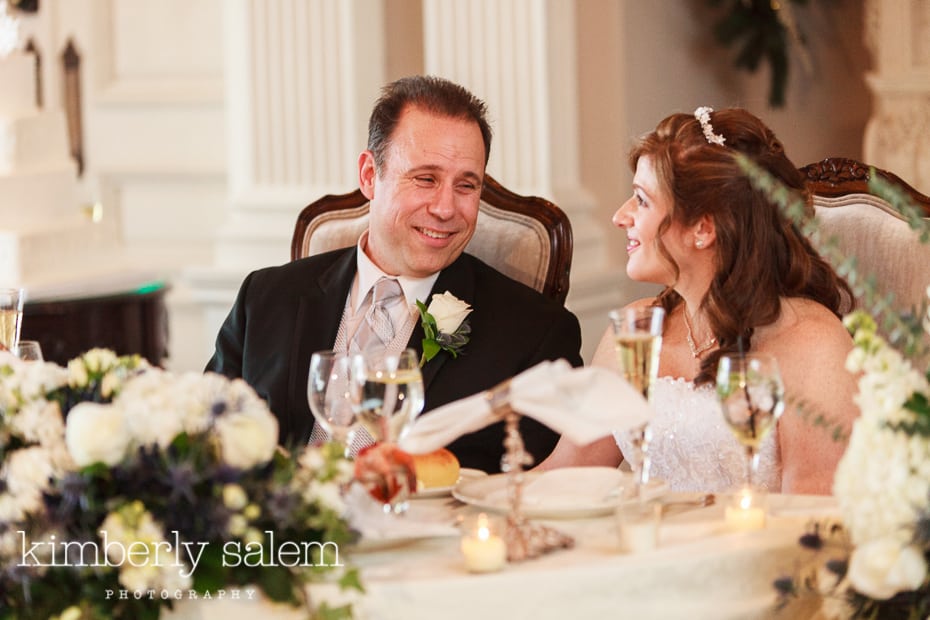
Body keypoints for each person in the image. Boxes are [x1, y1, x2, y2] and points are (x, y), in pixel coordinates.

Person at [206, 75, 583, 473]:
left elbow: (538, 495)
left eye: (467, 186)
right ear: (370, 175)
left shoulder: (535, 333)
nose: (445, 208)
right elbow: (206, 440)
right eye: (426, 179)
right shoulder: (265, 298)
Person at [540, 107, 857, 495]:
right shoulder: (636, 329)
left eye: (641, 200)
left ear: (703, 228)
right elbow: (563, 476)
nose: (620, 216)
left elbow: (814, 523)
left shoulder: (813, 345)